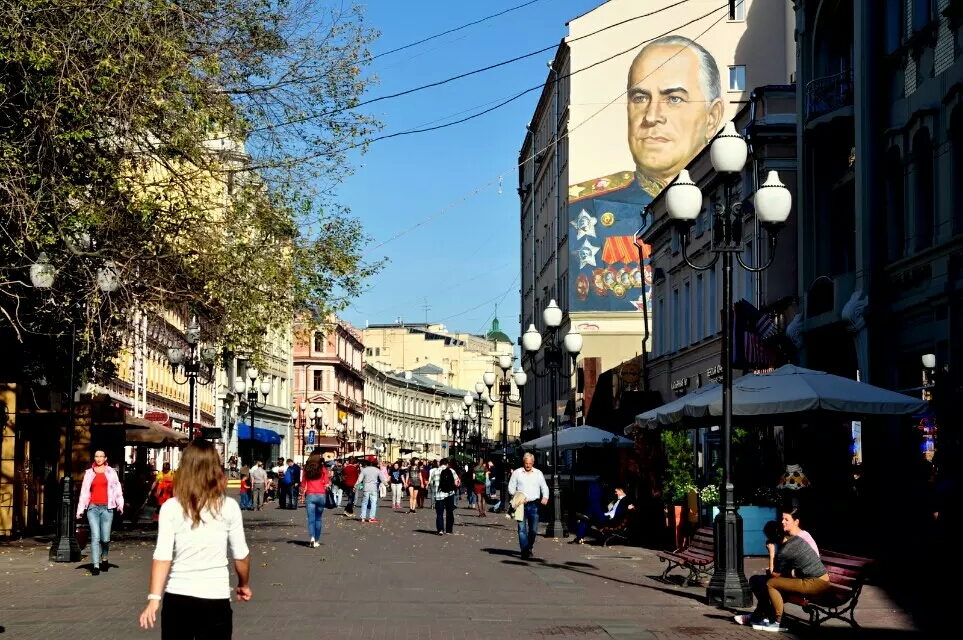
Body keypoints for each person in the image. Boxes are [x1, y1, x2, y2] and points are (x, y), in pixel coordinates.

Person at [138, 440, 252, 637]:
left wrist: (154, 598)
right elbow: (241, 556)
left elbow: (162, 556)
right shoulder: (229, 507)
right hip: (215, 597)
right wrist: (243, 584)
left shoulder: (171, 507)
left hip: (178, 596)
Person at [735, 508, 830, 632]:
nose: (783, 522)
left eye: (786, 519)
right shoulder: (795, 540)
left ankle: (778, 621)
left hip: (814, 582)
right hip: (813, 578)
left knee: (770, 583)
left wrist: (772, 553)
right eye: (782, 519)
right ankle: (761, 615)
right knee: (759, 580)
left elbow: (775, 574)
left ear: (796, 521)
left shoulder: (791, 545)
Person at [76, 450, 124, 575]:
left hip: (107, 509)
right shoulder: (89, 473)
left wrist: (120, 504)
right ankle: (96, 565)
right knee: (95, 537)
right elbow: (84, 492)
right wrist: (80, 510)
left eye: (101, 456)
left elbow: (117, 489)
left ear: (105, 458)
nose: (98, 458)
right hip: (93, 508)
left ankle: (105, 558)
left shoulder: (111, 472)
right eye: (96, 456)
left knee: (105, 539)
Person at [508, 453, 549, 560]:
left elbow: (544, 486)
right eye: (526, 463)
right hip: (521, 505)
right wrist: (519, 496)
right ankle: (525, 551)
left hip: (534, 504)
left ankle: (529, 547)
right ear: (523, 462)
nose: (528, 465)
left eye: (530, 463)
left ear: (533, 463)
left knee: (533, 530)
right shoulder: (517, 473)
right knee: (522, 529)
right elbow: (511, 488)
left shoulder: (538, 473)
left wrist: (545, 497)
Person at [301, 452, 329, 547]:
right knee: (318, 518)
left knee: (311, 519)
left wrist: (301, 494)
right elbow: (327, 483)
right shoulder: (322, 468)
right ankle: (317, 540)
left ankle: (312, 537)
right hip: (321, 495)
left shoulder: (306, 469)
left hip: (310, 495)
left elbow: (303, 483)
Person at [434, 458, 460, 535]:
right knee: (449, 512)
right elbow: (457, 482)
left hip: (439, 495)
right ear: (447, 464)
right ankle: (449, 530)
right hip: (449, 494)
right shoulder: (451, 471)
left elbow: (431, 483)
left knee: (439, 513)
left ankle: (440, 529)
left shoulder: (435, 471)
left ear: (440, 464)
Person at [356, 459, 382, 523]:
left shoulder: (364, 470)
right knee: (373, 503)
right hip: (374, 488)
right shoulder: (377, 470)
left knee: (364, 503)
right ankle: (371, 518)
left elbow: (359, 479)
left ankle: (362, 517)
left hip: (366, 488)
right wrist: (387, 485)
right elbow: (382, 478)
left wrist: (355, 486)